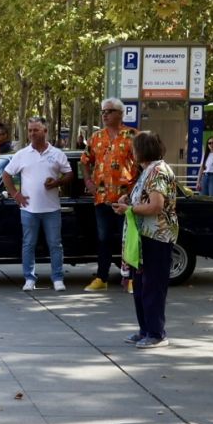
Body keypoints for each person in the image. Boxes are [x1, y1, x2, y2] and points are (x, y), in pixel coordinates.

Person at [120, 129, 181, 346]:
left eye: (134, 148)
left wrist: (130, 208)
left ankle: (156, 333)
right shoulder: (148, 171)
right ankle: (145, 329)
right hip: (143, 236)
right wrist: (128, 200)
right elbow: (143, 198)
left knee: (152, 286)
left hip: (157, 236)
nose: (131, 152)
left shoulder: (158, 172)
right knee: (140, 285)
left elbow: (156, 206)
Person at [1, 116, 73, 292]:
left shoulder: (57, 154)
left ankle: (57, 278)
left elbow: (70, 174)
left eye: (36, 130)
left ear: (45, 131)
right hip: (28, 209)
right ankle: (29, 278)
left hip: (52, 209)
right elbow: (6, 174)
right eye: (30, 130)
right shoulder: (22, 154)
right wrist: (15, 195)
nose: (32, 133)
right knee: (28, 244)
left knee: (55, 244)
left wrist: (56, 183)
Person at [83, 99, 137, 291]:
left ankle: (131, 278)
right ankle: (101, 278)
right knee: (104, 239)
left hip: (126, 199)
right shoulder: (96, 137)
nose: (104, 115)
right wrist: (88, 181)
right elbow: (85, 160)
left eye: (109, 111)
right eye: (103, 111)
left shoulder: (133, 136)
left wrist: (134, 192)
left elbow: (142, 165)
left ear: (120, 114)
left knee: (128, 240)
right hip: (102, 198)